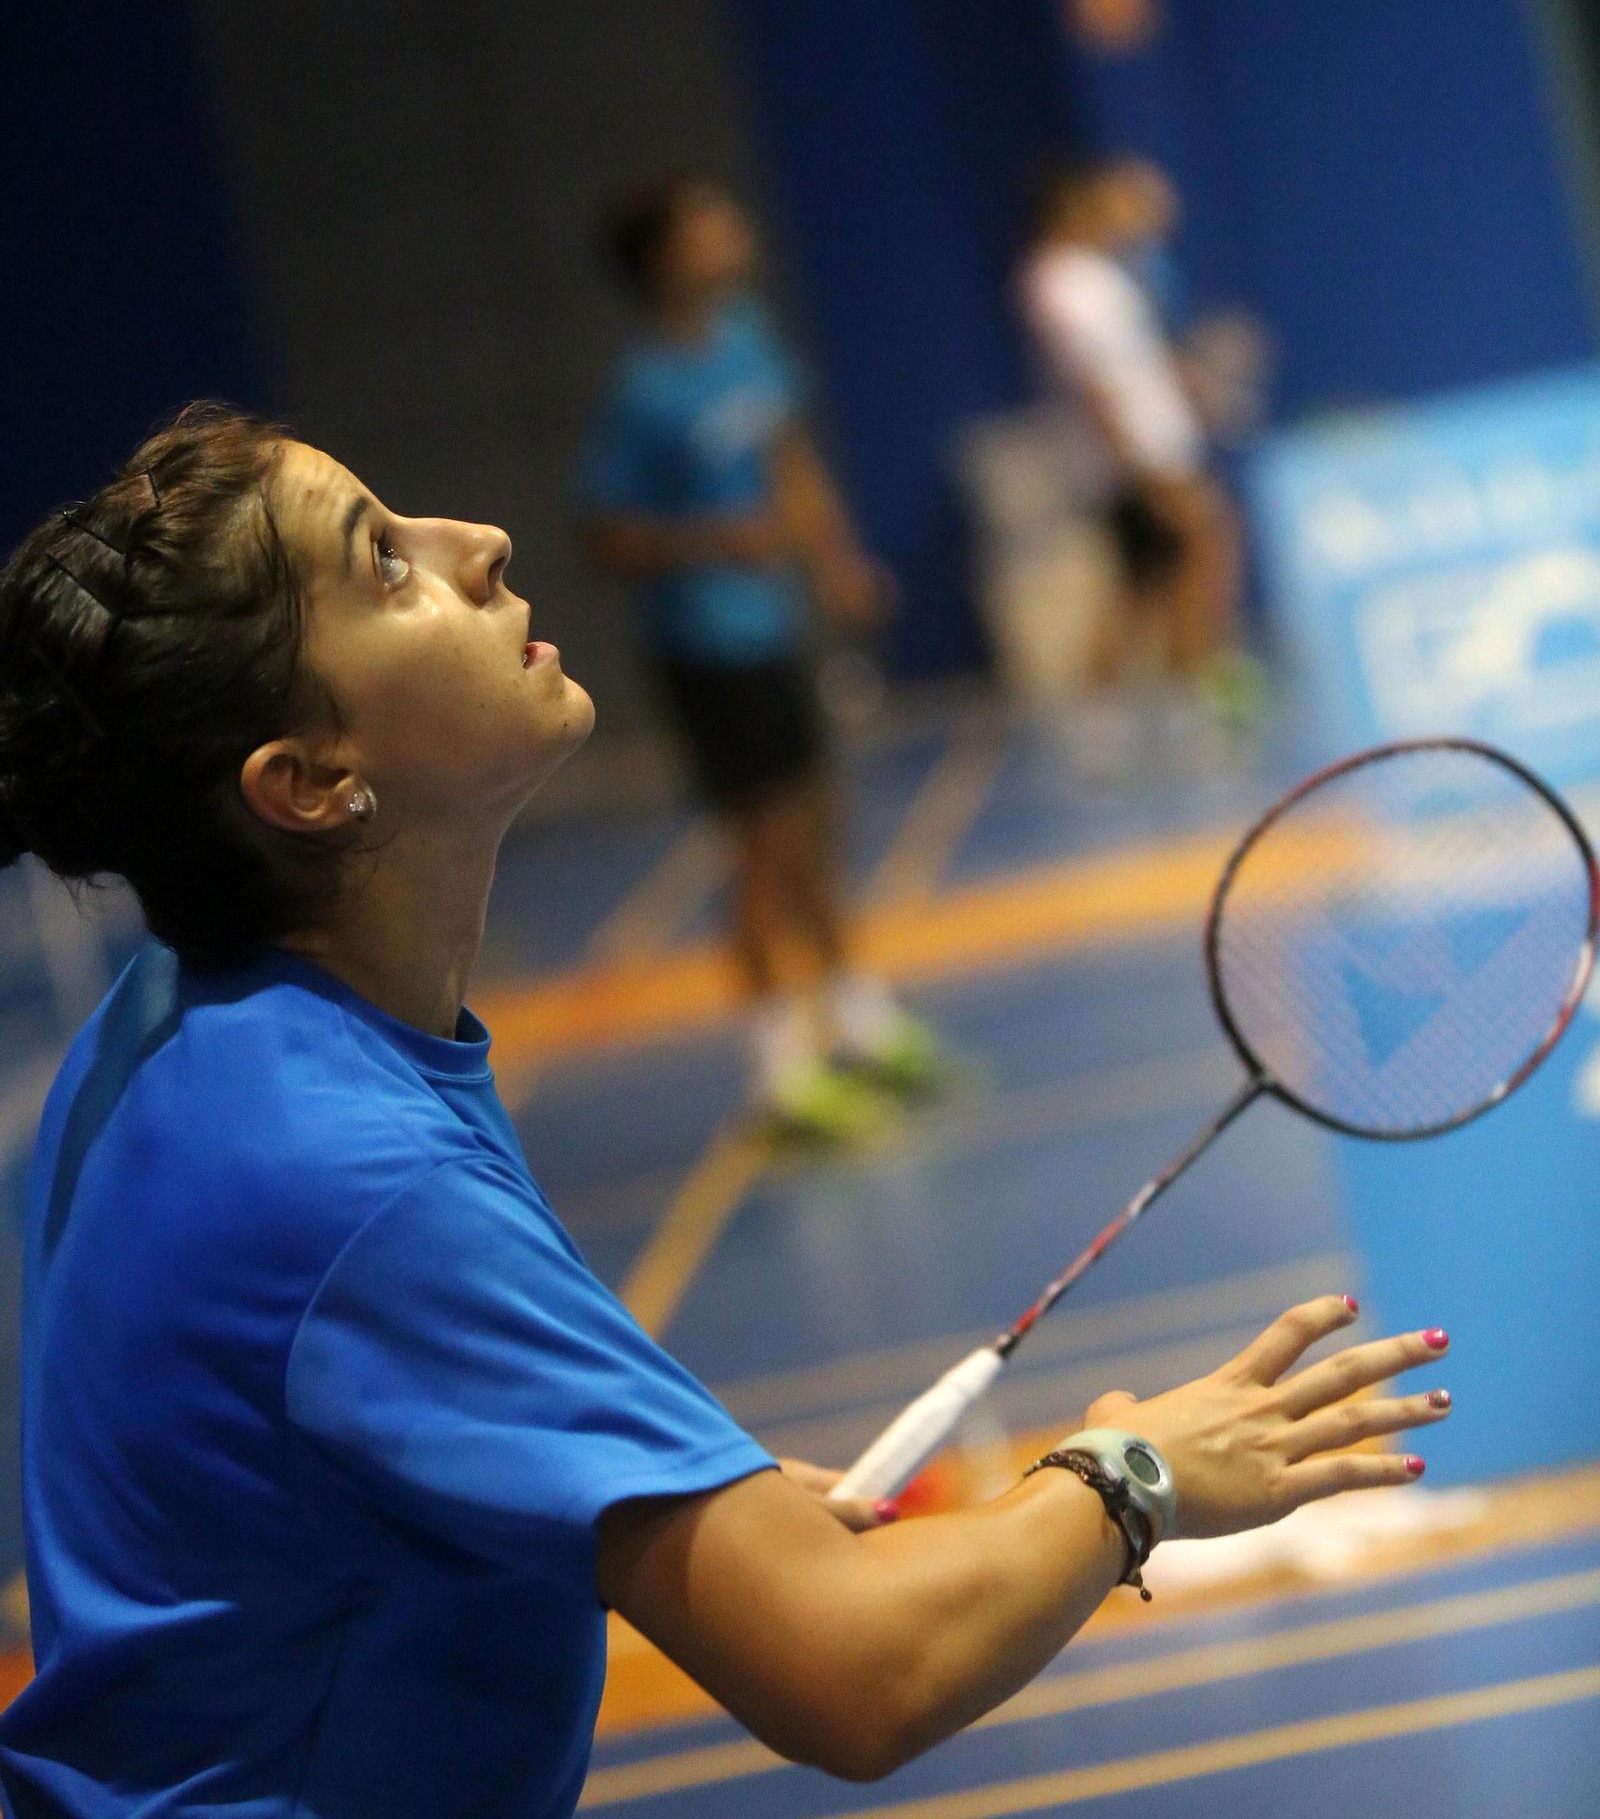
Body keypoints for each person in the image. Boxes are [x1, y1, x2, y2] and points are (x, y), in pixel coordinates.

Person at [0, 405, 1453, 1816]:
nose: (481, 542)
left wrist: (675, 1502)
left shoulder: (187, 1029)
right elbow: (859, 1675)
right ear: (309, 782)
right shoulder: (344, 1173)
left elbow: (325, 1483)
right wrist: (1133, 1476)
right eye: (384, 562)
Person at [580, 177, 937, 1140]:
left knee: (820, 823)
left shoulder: (744, 334)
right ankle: (780, 1069)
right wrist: (708, 542)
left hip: (772, 626)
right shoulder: (645, 391)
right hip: (703, 644)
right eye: (704, 223)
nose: (729, 228)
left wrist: (836, 562)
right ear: (663, 260)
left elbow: (789, 458)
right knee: (762, 850)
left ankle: (858, 1019)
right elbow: (605, 535)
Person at [1018, 154, 1261, 725]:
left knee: (1140, 585)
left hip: (1154, 447)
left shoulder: (1095, 274)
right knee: (1206, 543)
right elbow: (1093, 386)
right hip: (1137, 457)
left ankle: (1121, 714)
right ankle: (1195, 691)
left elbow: (1135, 357)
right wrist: (1139, 467)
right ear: (1065, 211)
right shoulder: (1061, 284)